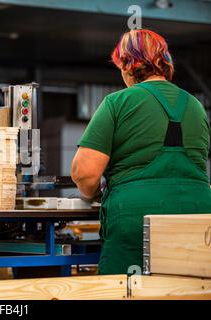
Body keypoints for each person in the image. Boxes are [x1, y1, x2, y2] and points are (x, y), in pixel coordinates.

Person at [71, 29, 211, 275]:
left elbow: (85, 173)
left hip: (136, 221)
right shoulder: (196, 106)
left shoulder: (117, 102)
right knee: (187, 289)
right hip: (198, 218)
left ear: (127, 65)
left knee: (128, 290)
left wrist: (92, 192)